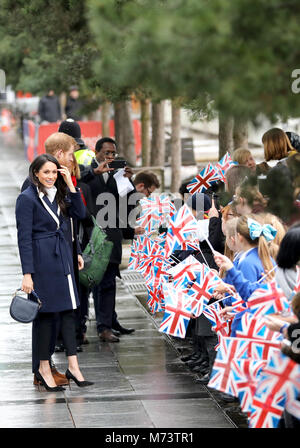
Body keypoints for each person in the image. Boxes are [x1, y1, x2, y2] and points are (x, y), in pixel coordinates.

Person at [16, 154, 93, 391]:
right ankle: (43, 368)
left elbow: (78, 217)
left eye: (53, 172)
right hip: (42, 261)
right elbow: (24, 239)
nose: (50, 177)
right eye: (46, 172)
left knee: (70, 311)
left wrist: (70, 184)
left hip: (64, 258)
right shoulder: (27, 198)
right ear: (36, 173)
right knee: (46, 316)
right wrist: (27, 273)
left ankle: (74, 366)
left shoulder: (60, 193)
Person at [81, 137, 145, 342]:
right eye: (106, 153)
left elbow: (128, 206)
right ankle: (78, 329)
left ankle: (105, 327)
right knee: (86, 286)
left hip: (112, 238)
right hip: (91, 239)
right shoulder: (87, 171)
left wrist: (130, 182)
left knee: (108, 284)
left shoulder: (119, 176)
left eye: (113, 154)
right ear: (96, 152)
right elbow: (78, 187)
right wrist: (94, 173)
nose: (110, 157)